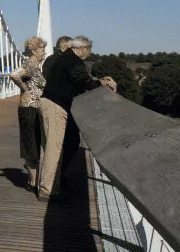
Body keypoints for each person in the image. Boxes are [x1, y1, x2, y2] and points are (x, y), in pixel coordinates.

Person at [38, 35, 116, 201]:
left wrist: (99, 81)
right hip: (56, 105)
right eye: (88, 51)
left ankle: (53, 181)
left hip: (55, 103)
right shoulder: (73, 61)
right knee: (54, 147)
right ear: (82, 49)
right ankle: (47, 189)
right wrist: (103, 82)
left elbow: (78, 80)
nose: (88, 55)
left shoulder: (65, 59)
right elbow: (84, 81)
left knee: (69, 141)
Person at [9, 36, 47, 190]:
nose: (44, 53)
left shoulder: (37, 67)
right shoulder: (30, 65)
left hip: (37, 108)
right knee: (31, 144)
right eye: (42, 50)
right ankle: (33, 182)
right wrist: (25, 90)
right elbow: (13, 74)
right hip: (29, 108)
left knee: (36, 143)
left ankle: (34, 177)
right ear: (34, 51)